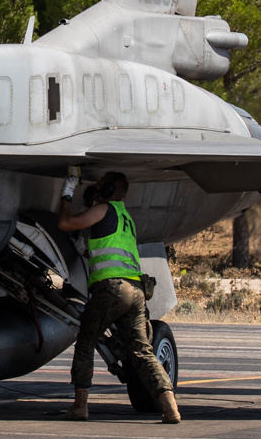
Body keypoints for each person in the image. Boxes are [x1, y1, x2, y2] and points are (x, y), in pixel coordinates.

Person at [56, 170, 181, 424]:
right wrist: (85, 249)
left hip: (111, 290)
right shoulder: (126, 218)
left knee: (85, 343)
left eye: (100, 186)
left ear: (109, 191)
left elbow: (65, 223)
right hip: (135, 292)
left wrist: (68, 191)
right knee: (142, 351)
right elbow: (110, 254)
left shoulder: (103, 209)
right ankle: (170, 407)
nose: (95, 190)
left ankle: (80, 406)